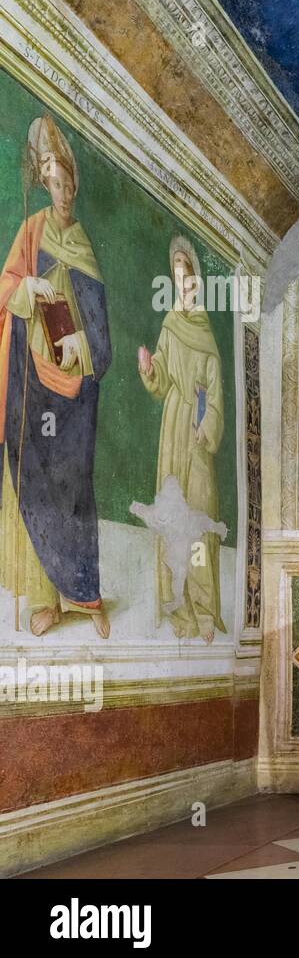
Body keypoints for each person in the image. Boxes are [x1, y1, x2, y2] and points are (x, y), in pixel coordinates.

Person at [0, 114, 111, 637]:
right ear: (43, 184)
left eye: (64, 180)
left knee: (75, 486)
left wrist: (79, 344)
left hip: (76, 391)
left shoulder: (84, 247)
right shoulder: (33, 229)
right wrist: (28, 293)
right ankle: (51, 599)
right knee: (37, 482)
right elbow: (6, 287)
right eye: (50, 181)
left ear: (73, 183)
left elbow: (101, 337)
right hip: (32, 374)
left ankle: (87, 596)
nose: (59, 189)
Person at [137, 236, 226, 641]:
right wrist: (148, 368)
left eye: (187, 277)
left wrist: (205, 427)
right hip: (172, 426)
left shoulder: (206, 331)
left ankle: (204, 611)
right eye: (176, 278)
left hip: (195, 428)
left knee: (198, 514)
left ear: (197, 281)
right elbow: (160, 380)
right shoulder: (169, 324)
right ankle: (178, 607)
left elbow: (215, 390)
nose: (182, 285)